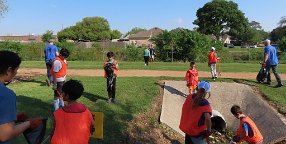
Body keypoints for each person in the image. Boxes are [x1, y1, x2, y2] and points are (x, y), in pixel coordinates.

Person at [0, 51, 43, 144]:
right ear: (9, 70)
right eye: (16, 69)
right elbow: (4, 134)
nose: (16, 72)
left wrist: (12, 118)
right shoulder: (6, 94)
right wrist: (29, 124)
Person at [51, 80, 93, 144]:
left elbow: (53, 131)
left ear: (67, 96)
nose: (61, 93)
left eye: (62, 92)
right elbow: (92, 125)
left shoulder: (57, 114)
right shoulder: (87, 111)